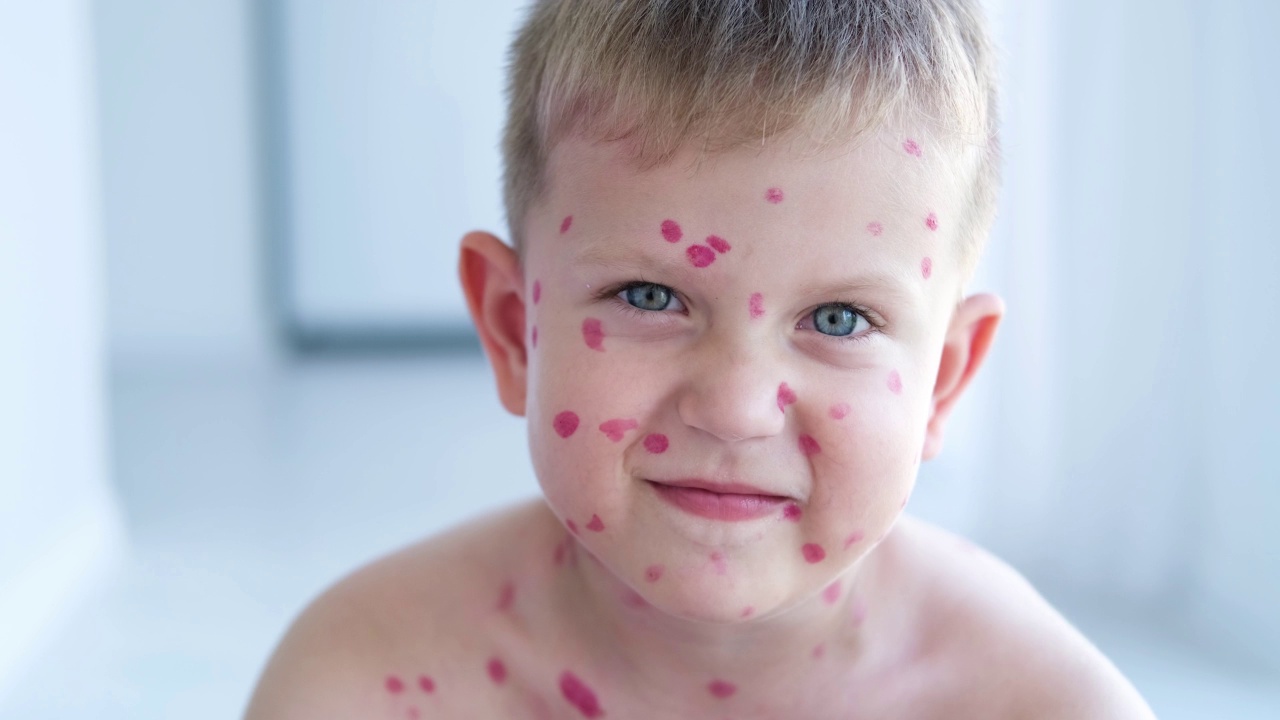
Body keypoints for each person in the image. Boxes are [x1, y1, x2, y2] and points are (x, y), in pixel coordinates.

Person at [245, 1, 1156, 717]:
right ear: (511, 326)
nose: (736, 407)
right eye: (649, 298)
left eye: (838, 318)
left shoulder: (1046, 708)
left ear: (944, 380)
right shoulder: (358, 684)